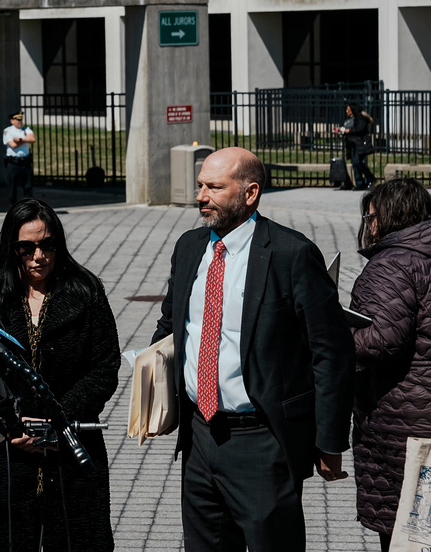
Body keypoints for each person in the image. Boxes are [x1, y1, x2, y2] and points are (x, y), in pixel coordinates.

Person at [150, 146, 355, 552]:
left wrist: (329, 442)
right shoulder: (189, 246)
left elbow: (331, 353)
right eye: (199, 186)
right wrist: (153, 382)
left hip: (263, 441)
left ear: (250, 193)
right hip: (199, 437)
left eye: (214, 187)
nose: (200, 197)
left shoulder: (291, 254)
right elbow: (172, 324)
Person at [0, 198, 120, 552]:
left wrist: (57, 418)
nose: (39, 256)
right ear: (11, 249)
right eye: (26, 247)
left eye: (47, 245)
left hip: (71, 449)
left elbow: (104, 367)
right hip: (3, 458)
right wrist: (9, 424)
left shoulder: (85, 291)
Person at [350, 178, 431, 551]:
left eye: (369, 216)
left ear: (383, 218)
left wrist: (331, 330)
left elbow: (381, 343)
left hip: (403, 423)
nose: (368, 225)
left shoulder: (391, 263)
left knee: (409, 534)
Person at [335, 104, 376, 190]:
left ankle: (370, 178)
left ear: (352, 110)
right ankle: (359, 183)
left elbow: (358, 129)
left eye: (348, 109)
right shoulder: (349, 120)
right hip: (353, 144)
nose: (346, 111)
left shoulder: (360, 118)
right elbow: (350, 131)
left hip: (360, 144)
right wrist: (342, 131)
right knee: (354, 163)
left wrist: (346, 130)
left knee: (357, 162)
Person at [2, 111, 35, 205]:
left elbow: (32, 139)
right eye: (17, 119)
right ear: (12, 121)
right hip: (13, 163)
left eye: (20, 119)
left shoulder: (26, 129)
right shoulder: (8, 131)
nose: (19, 121)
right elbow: (13, 145)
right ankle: (12, 207)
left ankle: (30, 206)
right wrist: (25, 140)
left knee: (28, 186)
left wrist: (19, 139)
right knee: (12, 187)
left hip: (25, 162)